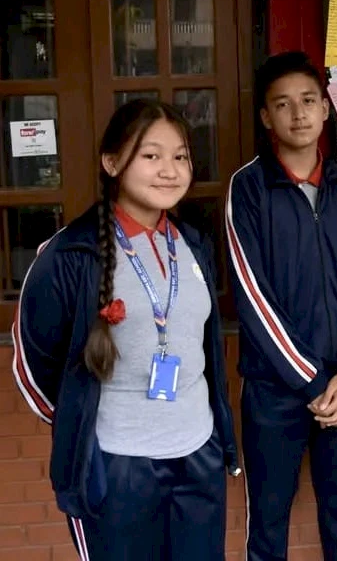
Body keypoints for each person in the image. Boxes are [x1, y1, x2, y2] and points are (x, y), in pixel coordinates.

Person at [12, 99, 239, 560]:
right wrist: (78, 425)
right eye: (151, 155)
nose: (170, 171)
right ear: (112, 162)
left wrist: (215, 441)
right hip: (117, 463)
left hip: (197, 451)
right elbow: (34, 365)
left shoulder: (193, 243)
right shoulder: (72, 255)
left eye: (180, 156)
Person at [226, 51, 337, 561]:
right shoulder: (249, 189)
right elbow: (252, 295)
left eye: (309, 101)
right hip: (275, 390)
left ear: (325, 108)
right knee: (268, 524)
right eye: (283, 104)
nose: (298, 114)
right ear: (266, 116)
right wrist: (312, 382)